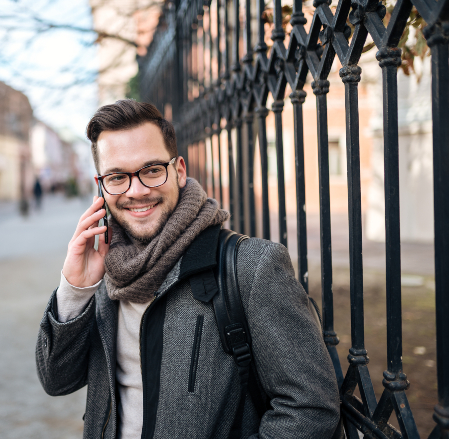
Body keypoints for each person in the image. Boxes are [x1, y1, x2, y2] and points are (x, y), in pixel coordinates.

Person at [35, 100, 340, 439]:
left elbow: (311, 408)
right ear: (101, 185)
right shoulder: (106, 270)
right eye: (118, 176)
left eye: (152, 170)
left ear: (179, 170)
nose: (137, 191)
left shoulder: (250, 268)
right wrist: (75, 289)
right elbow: (57, 379)